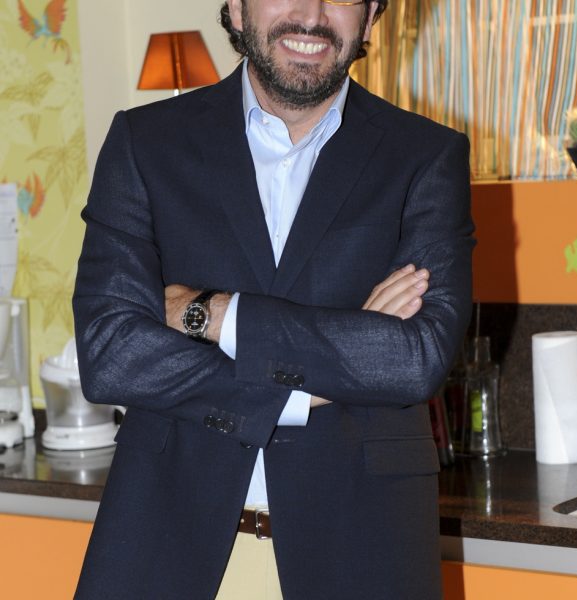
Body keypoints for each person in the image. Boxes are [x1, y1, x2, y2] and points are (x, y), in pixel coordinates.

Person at [73, 0, 474, 598]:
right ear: (236, 8)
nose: (311, 15)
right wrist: (317, 377)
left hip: (362, 555)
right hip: (165, 549)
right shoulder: (145, 141)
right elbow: (112, 354)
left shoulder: (425, 155)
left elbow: (414, 360)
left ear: (370, 18)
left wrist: (211, 313)